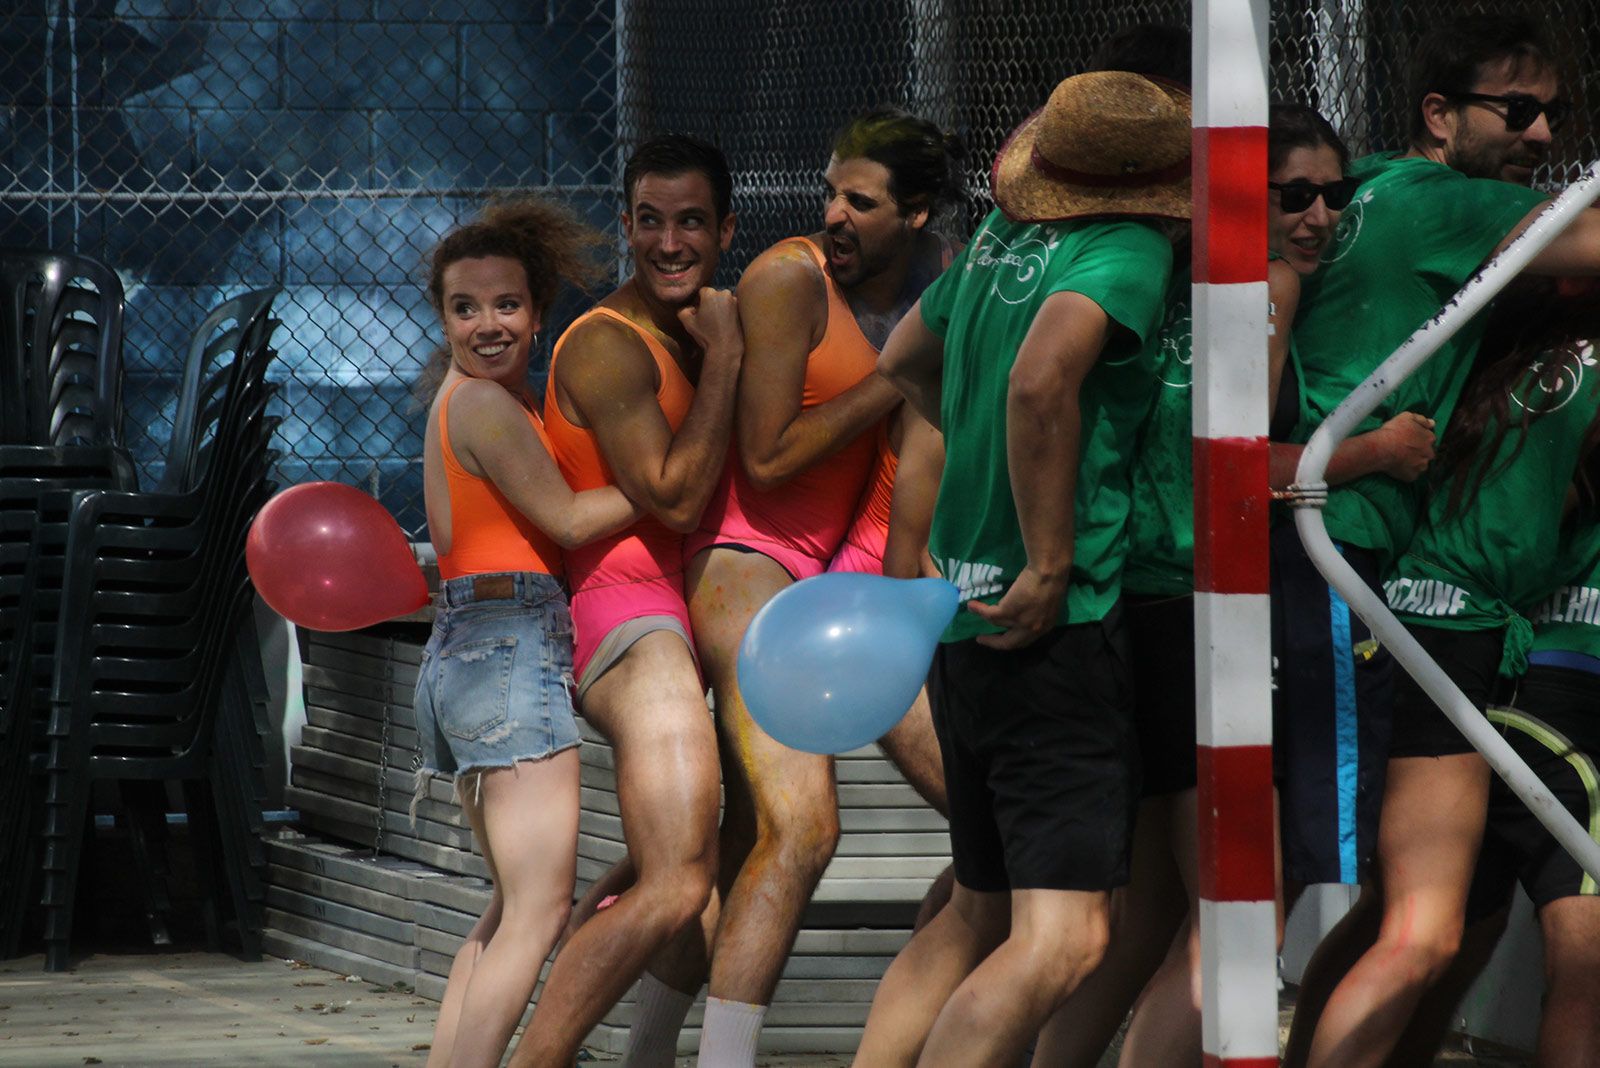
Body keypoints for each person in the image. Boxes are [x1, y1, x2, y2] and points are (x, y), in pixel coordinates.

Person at [1032, 102, 1438, 1068]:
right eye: (1293, 194)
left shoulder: (1141, 274)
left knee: (1148, 916)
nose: (1320, 216)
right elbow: (1239, 463)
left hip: (1119, 599)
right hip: (1197, 612)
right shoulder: (1265, 285)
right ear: (1232, 196)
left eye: (1336, 196)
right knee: (1237, 915)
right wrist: (1373, 449)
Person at [853, 70, 1191, 1068]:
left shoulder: (1002, 239)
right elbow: (1043, 381)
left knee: (974, 913)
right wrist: (1045, 558)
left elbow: (904, 362)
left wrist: (979, 476)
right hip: (1052, 628)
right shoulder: (1123, 248)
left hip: (962, 614)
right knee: (1065, 936)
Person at [1282, 15, 1600, 1067]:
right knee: (1401, 921)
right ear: (1437, 114)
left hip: (1379, 561)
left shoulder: (1366, 183)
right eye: (1516, 111)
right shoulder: (1447, 202)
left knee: (1412, 916)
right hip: (1352, 544)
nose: (1541, 133)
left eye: (1554, 114)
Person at [649, 107, 962, 1068]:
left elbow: (930, 447)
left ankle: (929, 1029)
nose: (832, 212)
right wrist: (900, 374)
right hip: (749, 558)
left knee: (994, 814)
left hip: (857, 575)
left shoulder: (946, 277)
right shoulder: (790, 280)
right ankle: (719, 1060)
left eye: (859, 201)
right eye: (829, 189)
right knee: (801, 830)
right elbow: (770, 458)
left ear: (914, 216)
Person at [503, 136, 745, 1068]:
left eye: (690, 221)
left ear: (725, 229)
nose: (669, 242)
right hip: (629, 619)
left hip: (692, 621)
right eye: (649, 220)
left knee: (683, 871)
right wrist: (726, 357)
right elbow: (676, 498)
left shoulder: (697, 329)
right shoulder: (609, 345)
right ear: (628, 227)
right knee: (679, 882)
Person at [410, 197, 641, 1068]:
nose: (487, 324)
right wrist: (672, 482)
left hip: (470, 647)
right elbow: (573, 521)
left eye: (506, 304)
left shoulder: (465, 401)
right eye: (464, 308)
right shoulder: (484, 408)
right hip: (505, 644)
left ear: (538, 313)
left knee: (510, 906)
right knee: (540, 910)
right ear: (442, 317)